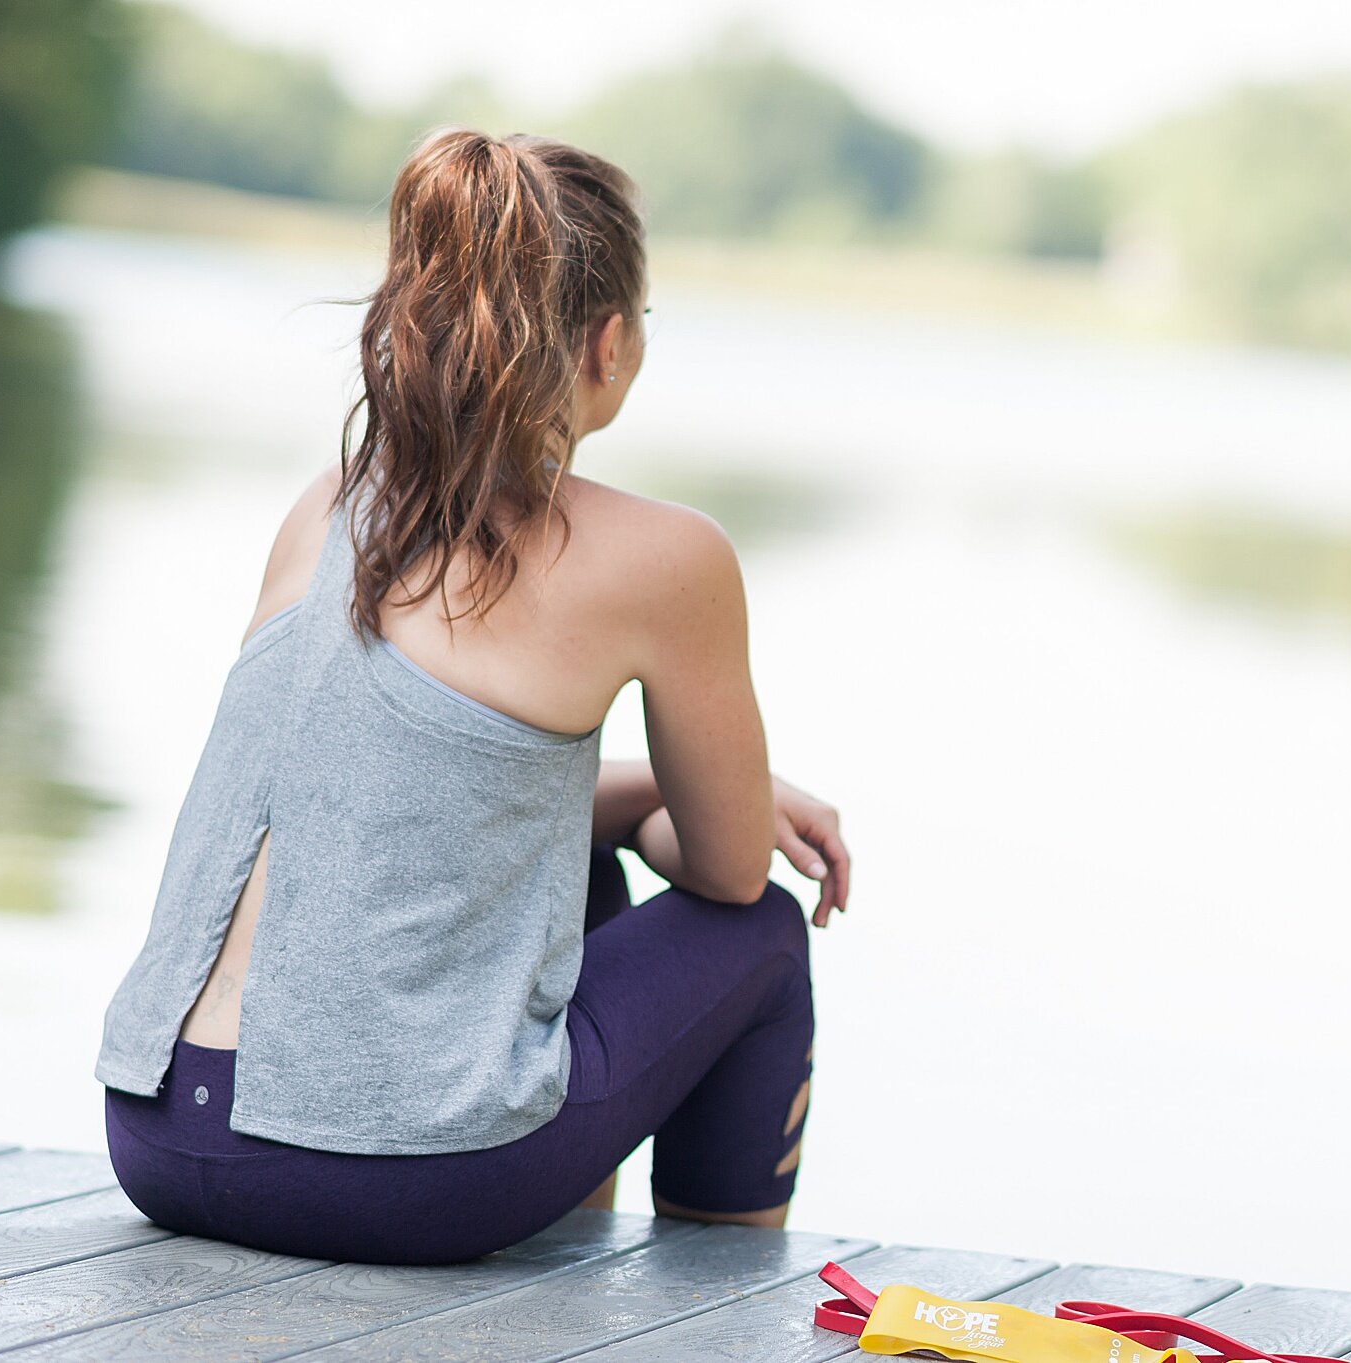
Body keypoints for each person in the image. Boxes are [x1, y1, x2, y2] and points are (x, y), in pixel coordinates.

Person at [92, 127, 851, 1266]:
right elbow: (732, 872)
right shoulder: (665, 558)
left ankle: (553, 1242)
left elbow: (395, 797)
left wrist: (633, 798)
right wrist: (686, 804)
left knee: (571, 864)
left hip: (159, 1136)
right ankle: (721, 1306)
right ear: (608, 343)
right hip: (387, 1183)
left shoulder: (331, 503)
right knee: (764, 939)